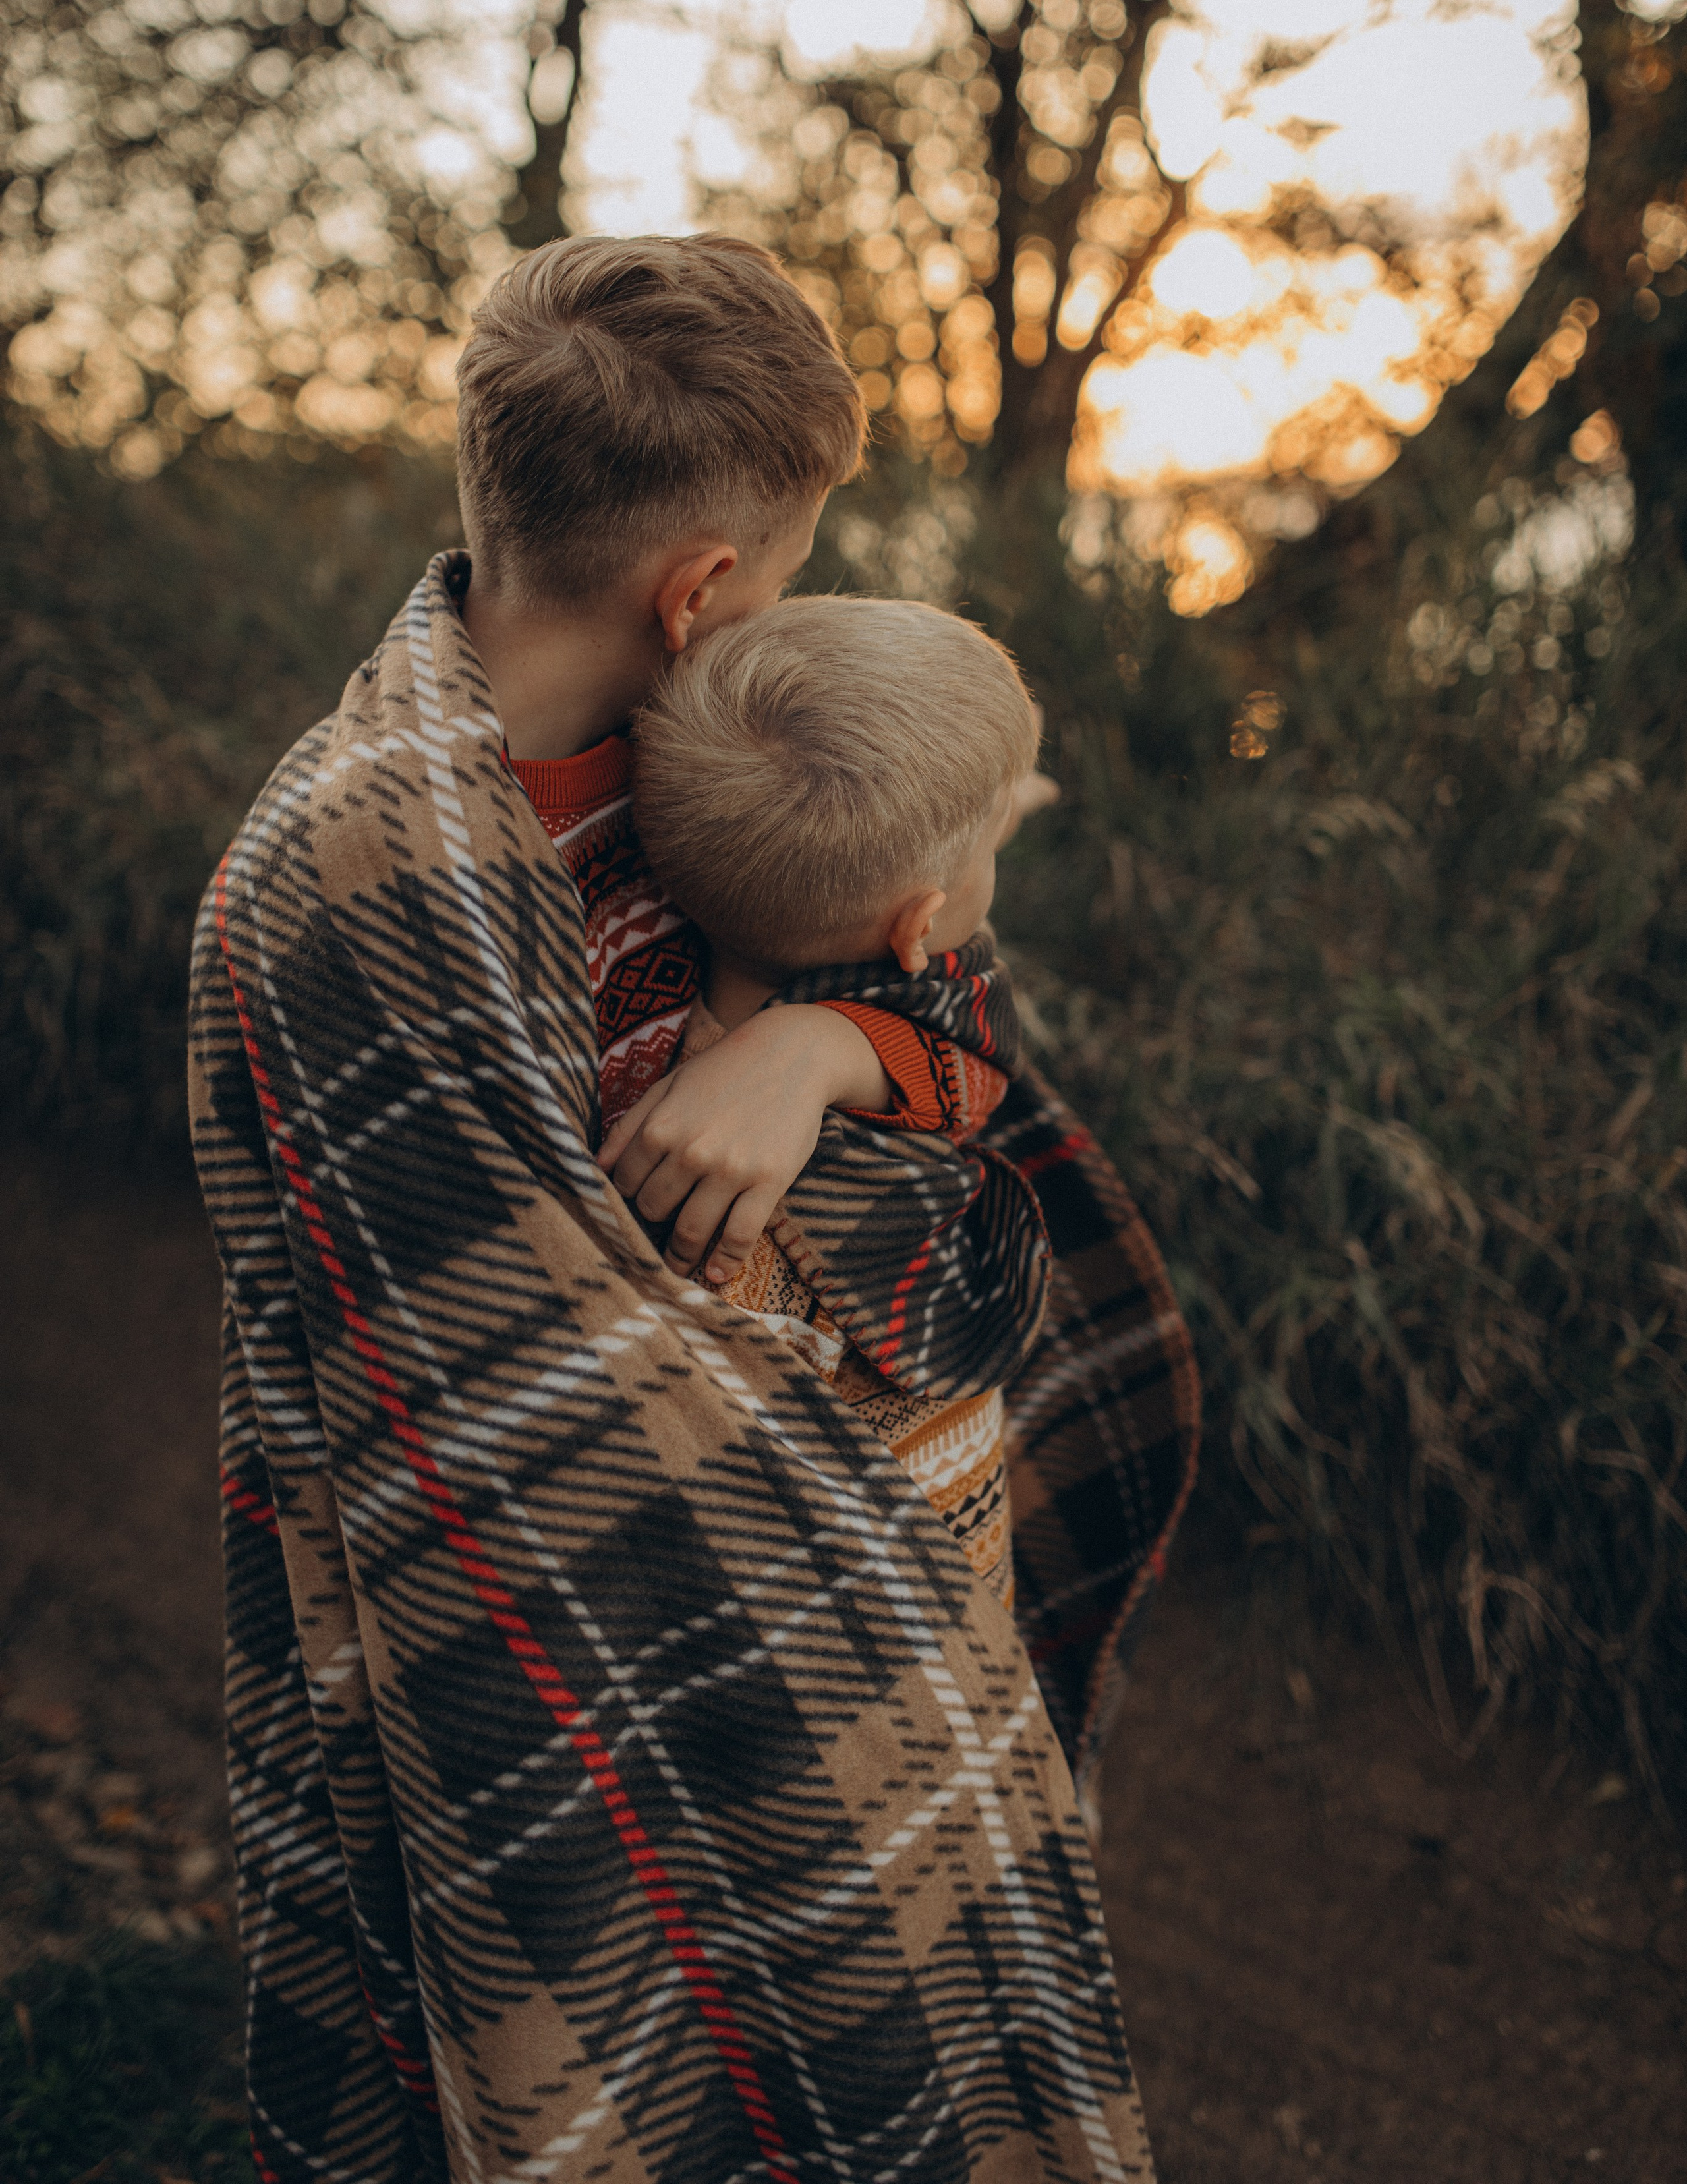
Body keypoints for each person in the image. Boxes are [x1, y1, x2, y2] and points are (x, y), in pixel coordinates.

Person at [190, 233, 1197, 2184]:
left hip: (840, 1532)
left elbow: (942, 1023)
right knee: (612, 2062)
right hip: (527, 1626)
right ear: (702, 585)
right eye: (797, 560)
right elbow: (507, 1377)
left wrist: (819, 1041)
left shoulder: (733, 742)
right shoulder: (352, 872)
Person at [621, 592, 1056, 1613]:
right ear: (921, 931)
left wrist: (823, 1046)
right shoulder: (747, 1224)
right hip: (908, 1610)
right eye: (990, 843)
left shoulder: (630, 1013)